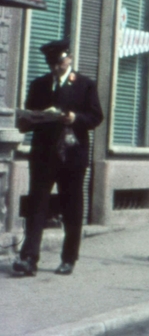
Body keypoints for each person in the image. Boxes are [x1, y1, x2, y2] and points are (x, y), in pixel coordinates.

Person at [13, 40, 102, 276]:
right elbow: (29, 114)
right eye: (52, 64)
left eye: (60, 63)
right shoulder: (40, 85)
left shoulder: (85, 85)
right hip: (43, 154)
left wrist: (75, 118)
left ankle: (69, 258)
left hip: (72, 155)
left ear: (69, 59)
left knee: (71, 206)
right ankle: (29, 258)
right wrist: (28, 120)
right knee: (37, 205)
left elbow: (96, 116)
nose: (56, 68)